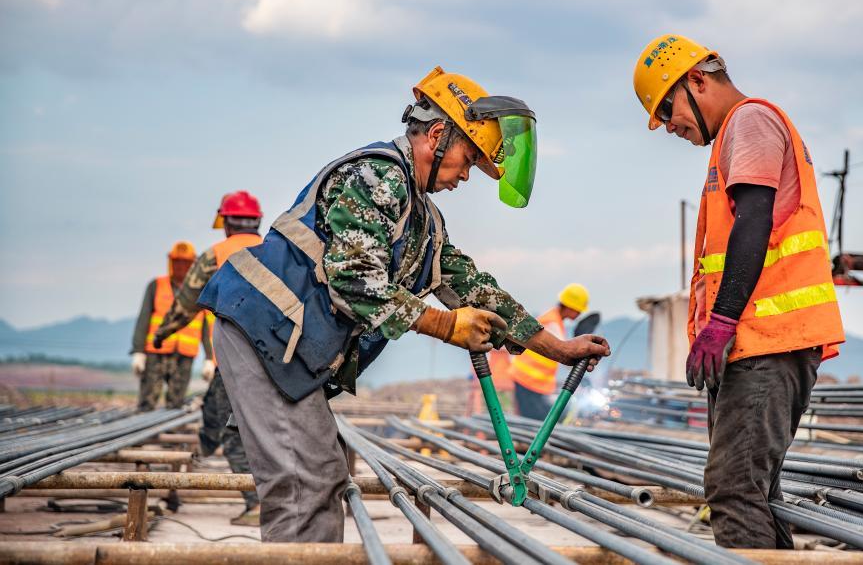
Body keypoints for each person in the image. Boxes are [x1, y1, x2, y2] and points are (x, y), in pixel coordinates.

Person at [198, 66, 611, 543]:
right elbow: (354, 281)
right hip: (262, 329)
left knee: (322, 475)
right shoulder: (378, 177)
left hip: (282, 342)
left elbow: (472, 286)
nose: (465, 176)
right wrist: (441, 324)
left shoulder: (422, 217)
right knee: (303, 483)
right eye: (467, 160)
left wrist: (556, 349)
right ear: (437, 136)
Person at [632, 35, 845, 549]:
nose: (670, 127)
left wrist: (723, 320)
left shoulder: (749, 122)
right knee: (753, 493)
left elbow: (755, 218)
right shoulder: (735, 133)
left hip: (766, 342)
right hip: (755, 345)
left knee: (732, 490)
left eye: (669, 110)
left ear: (697, 81)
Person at [152, 191, 263, 526]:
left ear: (226, 222)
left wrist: (161, 334)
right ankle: (187, 473)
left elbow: (186, 304)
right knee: (228, 424)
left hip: (234, 360)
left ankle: (258, 503)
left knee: (232, 432)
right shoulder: (276, 251)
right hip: (276, 362)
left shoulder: (216, 255)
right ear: (257, 221)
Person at [130, 241, 209, 410]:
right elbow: (143, 318)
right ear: (171, 262)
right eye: (177, 261)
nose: (181, 266)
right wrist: (138, 351)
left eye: (185, 262)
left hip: (184, 355)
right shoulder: (157, 286)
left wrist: (210, 358)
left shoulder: (200, 290)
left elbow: (206, 326)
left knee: (176, 404)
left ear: (192, 264)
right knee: (147, 402)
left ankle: (173, 434)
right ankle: (146, 433)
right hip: (156, 353)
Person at [509, 283, 589, 419]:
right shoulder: (553, 325)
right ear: (570, 307)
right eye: (578, 310)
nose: (579, 314)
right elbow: (565, 354)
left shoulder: (553, 318)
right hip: (530, 380)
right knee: (536, 421)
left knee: (529, 420)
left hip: (528, 379)